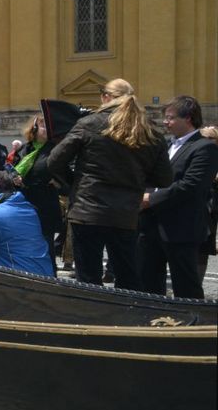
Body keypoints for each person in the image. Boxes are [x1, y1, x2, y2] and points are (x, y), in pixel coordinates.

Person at [48, 78, 171, 290]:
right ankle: (127, 318)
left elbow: (54, 162)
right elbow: (164, 179)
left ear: (105, 97)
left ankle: (94, 319)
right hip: (126, 213)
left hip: (88, 210)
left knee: (88, 278)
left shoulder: (89, 123)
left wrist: (74, 184)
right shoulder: (151, 131)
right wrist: (136, 181)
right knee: (127, 275)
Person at [137, 97, 218, 299]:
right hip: (151, 226)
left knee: (186, 286)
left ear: (188, 119)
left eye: (171, 118)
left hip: (181, 229)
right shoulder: (165, 144)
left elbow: (190, 186)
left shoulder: (204, 148)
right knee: (148, 285)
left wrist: (150, 199)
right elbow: (149, 175)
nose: (166, 122)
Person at [13, 114, 62, 270]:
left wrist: (59, 183)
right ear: (33, 128)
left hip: (45, 204)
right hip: (24, 201)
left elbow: (68, 175)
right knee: (25, 241)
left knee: (45, 242)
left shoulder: (56, 149)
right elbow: (11, 169)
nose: (47, 129)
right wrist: (14, 177)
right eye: (43, 125)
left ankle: (49, 274)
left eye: (49, 126)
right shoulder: (24, 149)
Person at [197, 125, 218, 283]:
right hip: (198, 209)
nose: (206, 141)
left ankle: (197, 284)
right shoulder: (196, 156)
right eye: (203, 137)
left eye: (210, 138)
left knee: (203, 249)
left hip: (211, 212)